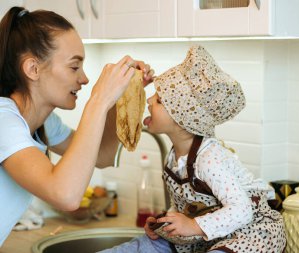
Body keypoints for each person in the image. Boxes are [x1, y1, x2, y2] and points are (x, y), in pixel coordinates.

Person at [99, 45, 286, 253]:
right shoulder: (174, 157)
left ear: (182, 120)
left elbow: (242, 210)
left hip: (249, 233)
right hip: (208, 235)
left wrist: (193, 226)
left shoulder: (209, 158)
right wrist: (166, 223)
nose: (150, 100)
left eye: (159, 100)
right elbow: (187, 205)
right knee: (144, 246)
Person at [0, 6, 154, 246]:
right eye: (74, 67)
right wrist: (99, 100)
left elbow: (102, 156)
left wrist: (119, 98)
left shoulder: (43, 122)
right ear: (33, 69)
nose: (84, 79)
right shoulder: (3, 119)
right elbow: (66, 195)